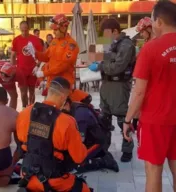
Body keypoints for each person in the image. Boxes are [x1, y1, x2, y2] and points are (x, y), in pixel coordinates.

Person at [123, 1, 176, 191]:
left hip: (155, 121)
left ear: (159, 21)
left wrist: (128, 119)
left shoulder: (150, 49)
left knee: (154, 171)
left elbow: (138, 92)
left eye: (153, 21)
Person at [16, 77, 92, 192]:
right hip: (55, 181)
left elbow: (21, 143)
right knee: (84, 189)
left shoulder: (24, 113)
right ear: (63, 97)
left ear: (49, 92)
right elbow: (79, 158)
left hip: (28, 176)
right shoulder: (67, 122)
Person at [88, 17, 136, 162]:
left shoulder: (127, 45)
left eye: (107, 34)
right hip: (106, 85)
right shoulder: (108, 41)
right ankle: (103, 148)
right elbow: (92, 54)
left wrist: (101, 64)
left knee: (122, 120)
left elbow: (118, 66)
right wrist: (97, 56)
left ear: (115, 31)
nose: (105, 37)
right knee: (104, 120)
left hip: (119, 86)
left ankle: (127, 149)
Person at [62, 97, 119, 173]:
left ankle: (104, 161)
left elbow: (79, 141)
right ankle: (98, 154)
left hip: (96, 142)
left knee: (75, 163)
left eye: (60, 107)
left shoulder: (80, 115)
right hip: (88, 138)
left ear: (66, 104)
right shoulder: (71, 108)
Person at [33, 14, 79, 92]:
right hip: (51, 82)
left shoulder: (72, 45)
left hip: (63, 84)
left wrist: (44, 73)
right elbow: (46, 56)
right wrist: (35, 53)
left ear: (64, 28)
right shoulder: (54, 41)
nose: (54, 32)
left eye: (55, 30)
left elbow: (63, 66)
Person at [11, 21, 44, 107]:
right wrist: (13, 69)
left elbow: (41, 56)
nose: (24, 32)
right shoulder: (16, 40)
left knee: (32, 92)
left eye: (26, 30)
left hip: (32, 70)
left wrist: (37, 66)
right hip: (21, 71)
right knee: (23, 93)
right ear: (20, 29)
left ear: (29, 29)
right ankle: (24, 108)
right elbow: (13, 56)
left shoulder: (35, 40)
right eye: (22, 30)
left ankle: (31, 109)